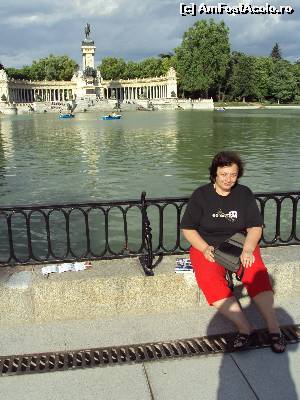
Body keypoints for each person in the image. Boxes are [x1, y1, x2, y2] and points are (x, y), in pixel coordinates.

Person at [180, 151, 286, 353]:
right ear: (214, 174)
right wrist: (203, 248)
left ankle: (274, 327)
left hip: (239, 244)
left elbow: (255, 226)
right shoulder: (201, 195)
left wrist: (248, 249)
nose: (228, 179)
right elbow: (188, 228)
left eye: (233, 174)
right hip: (207, 246)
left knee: (257, 274)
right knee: (209, 279)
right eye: (223, 174)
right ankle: (245, 328)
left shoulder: (244, 193)